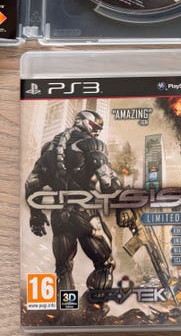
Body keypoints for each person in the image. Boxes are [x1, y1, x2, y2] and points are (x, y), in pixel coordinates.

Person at [25, 109, 134, 292]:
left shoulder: (49, 150)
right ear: (82, 122)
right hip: (85, 214)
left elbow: (31, 183)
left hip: (59, 217)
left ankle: (66, 307)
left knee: (63, 270)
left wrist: (36, 215)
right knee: (105, 264)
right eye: (94, 126)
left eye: (99, 128)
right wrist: (123, 207)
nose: (97, 131)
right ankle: (96, 304)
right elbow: (108, 181)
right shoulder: (91, 144)